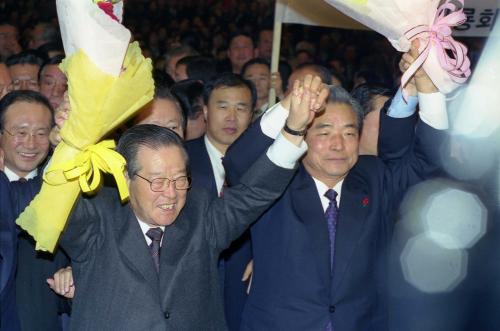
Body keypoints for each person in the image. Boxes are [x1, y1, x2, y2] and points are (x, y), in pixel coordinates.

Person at [26, 76, 323, 330]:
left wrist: (294, 131)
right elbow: (54, 198)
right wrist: (66, 145)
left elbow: (253, 193)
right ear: (126, 177)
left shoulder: (200, 211)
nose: (170, 194)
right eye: (156, 182)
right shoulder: (97, 217)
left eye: (180, 180)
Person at [223, 53, 447, 330]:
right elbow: (236, 163)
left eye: (349, 133)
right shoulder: (276, 182)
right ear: (303, 134)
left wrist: (427, 87)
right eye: (325, 132)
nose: (338, 144)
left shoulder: (374, 178)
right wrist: (288, 106)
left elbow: (427, 165)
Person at [184, 72, 255, 330]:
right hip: (190, 287)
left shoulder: (266, 164)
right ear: (205, 110)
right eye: (222, 107)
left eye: (241, 108)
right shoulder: (181, 158)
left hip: (246, 286)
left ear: (253, 114)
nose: (231, 117)